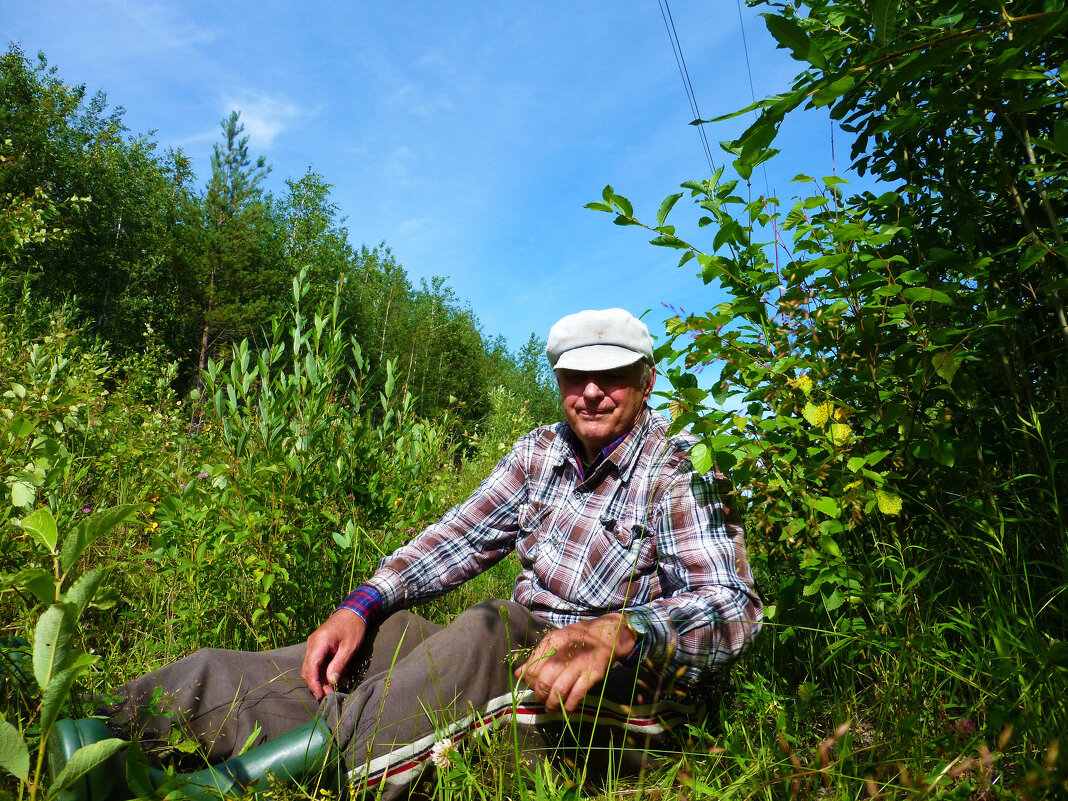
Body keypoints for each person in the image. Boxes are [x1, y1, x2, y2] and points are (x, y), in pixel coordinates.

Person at [53, 308, 762, 801]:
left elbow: (733, 606)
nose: (592, 390)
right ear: (558, 380)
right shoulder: (540, 453)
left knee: (487, 625)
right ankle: (98, 731)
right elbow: (458, 536)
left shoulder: (679, 467)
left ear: (646, 379)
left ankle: (234, 788)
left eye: (612, 373)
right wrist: (365, 601)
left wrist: (623, 631)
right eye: (575, 375)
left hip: (610, 699)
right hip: (518, 655)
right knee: (389, 637)